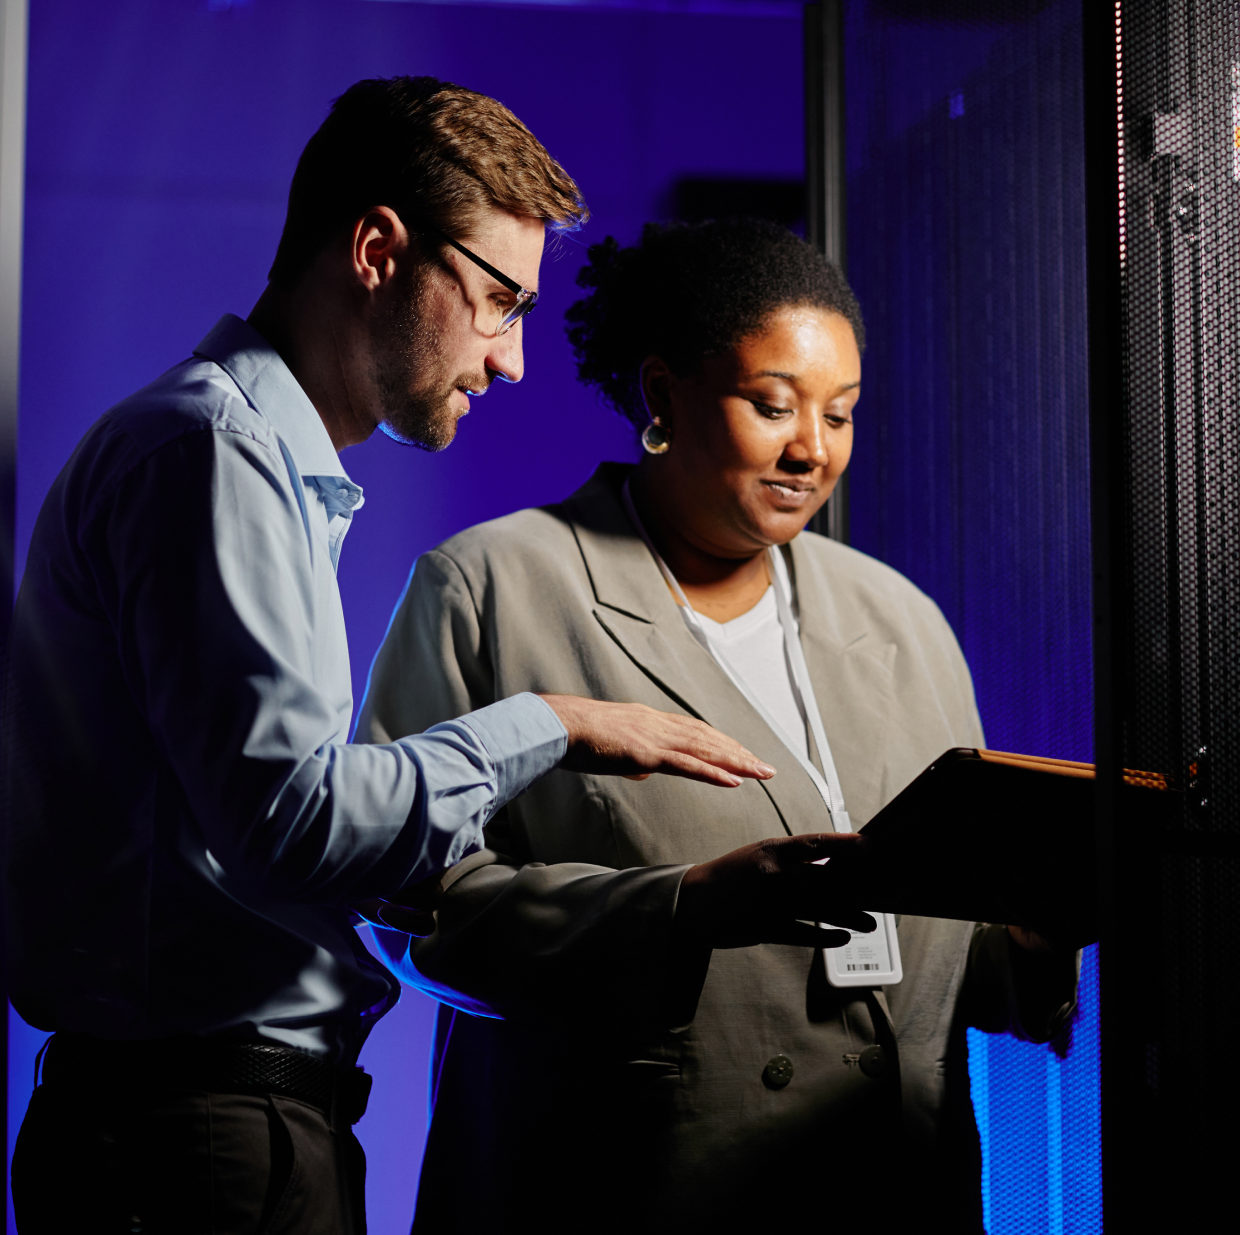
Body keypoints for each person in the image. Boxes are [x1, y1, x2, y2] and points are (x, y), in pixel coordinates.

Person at [2, 83, 774, 1235]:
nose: (512, 360)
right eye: (499, 302)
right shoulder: (210, 454)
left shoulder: (243, 459)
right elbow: (290, 822)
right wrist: (554, 723)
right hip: (201, 1143)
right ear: (375, 250)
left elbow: (266, 837)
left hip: (219, 1131)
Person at [358, 218, 1081, 1234]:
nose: (811, 451)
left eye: (842, 415)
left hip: (889, 1186)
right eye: (771, 405)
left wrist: (1039, 937)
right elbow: (410, 904)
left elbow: (961, 966)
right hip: (631, 1186)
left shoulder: (902, 622)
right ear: (660, 396)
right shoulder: (490, 588)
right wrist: (681, 908)